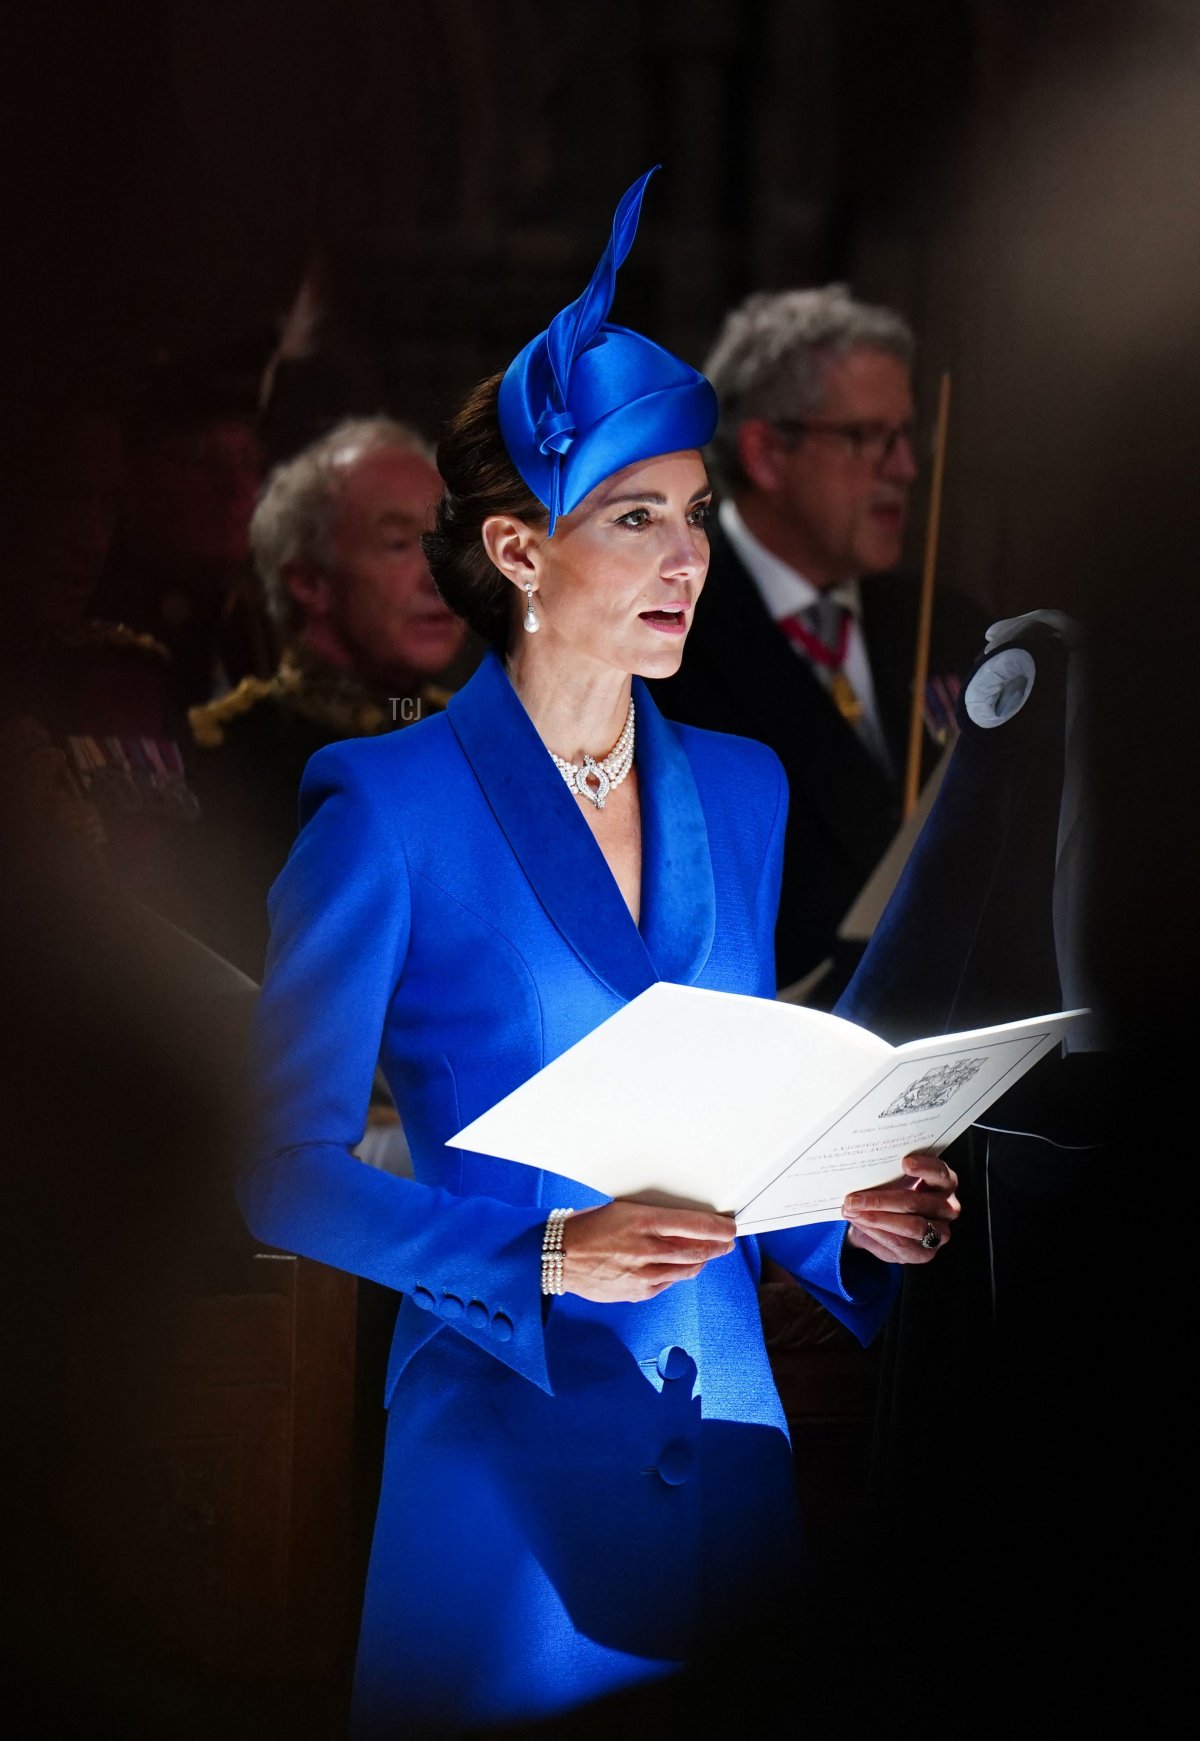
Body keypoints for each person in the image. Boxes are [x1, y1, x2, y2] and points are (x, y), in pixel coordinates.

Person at [238, 168, 959, 1737]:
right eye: (635, 519)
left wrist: (852, 1217)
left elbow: (737, 1124)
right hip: (505, 1478)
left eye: (695, 518)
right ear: (515, 549)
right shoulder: (385, 806)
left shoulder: (744, 788)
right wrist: (542, 1256)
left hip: (741, 1466)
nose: (683, 558)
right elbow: (274, 1169)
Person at [649, 284, 989, 1005]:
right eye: (869, 438)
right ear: (768, 454)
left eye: (907, 436)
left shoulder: (952, 625)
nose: (904, 468)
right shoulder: (665, 634)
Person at [179, 416, 476, 981]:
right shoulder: (226, 757)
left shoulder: (481, 744)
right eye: (396, 545)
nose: (439, 576)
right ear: (308, 583)